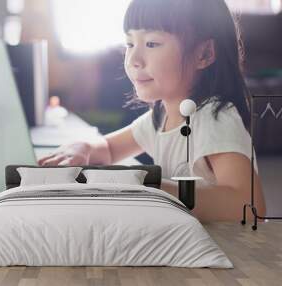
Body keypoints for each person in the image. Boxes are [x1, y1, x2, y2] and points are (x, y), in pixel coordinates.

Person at [38, 0, 266, 222]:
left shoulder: (214, 117)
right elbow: (109, 148)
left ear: (204, 54)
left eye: (152, 44)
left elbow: (249, 205)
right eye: (129, 44)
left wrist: (148, 186)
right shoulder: (161, 117)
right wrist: (83, 147)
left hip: (226, 253)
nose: (134, 60)